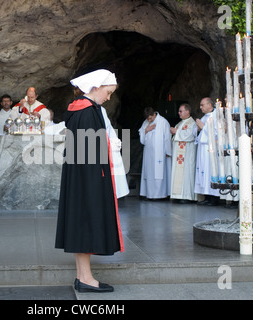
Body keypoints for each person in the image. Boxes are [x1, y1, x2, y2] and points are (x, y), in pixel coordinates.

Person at [55, 69, 124, 293]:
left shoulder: (81, 108)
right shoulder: (88, 111)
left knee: (79, 223)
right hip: (88, 177)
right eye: (109, 92)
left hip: (81, 176)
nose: (109, 97)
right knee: (84, 223)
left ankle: (82, 275)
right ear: (96, 86)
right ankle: (85, 278)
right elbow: (89, 152)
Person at [139, 107, 172, 200]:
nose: (149, 120)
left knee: (159, 173)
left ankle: (160, 195)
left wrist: (168, 151)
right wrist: (146, 130)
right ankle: (149, 194)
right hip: (148, 154)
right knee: (149, 173)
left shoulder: (163, 122)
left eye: (150, 118)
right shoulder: (146, 122)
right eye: (147, 119)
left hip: (160, 153)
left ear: (154, 114)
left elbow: (167, 137)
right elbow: (142, 137)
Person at [194, 97, 220, 205]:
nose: (200, 107)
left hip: (211, 148)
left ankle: (214, 198)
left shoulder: (216, 116)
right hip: (202, 149)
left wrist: (202, 126)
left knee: (210, 171)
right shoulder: (205, 116)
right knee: (203, 171)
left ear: (210, 105)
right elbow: (197, 132)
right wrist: (198, 128)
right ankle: (206, 196)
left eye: (202, 105)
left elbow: (216, 133)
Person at [170, 103, 197, 203]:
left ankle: (186, 196)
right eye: (179, 111)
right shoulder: (180, 123)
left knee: (186, 174)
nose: (179, 113)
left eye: (181, 111)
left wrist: (176, 132)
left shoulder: (192, 123)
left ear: (187, 112)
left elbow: (189, 136)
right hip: (179, 155)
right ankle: (177, 195)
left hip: (187, 155)